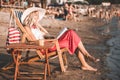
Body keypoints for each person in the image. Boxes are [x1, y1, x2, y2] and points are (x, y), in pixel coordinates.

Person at [21, 7, 100, 72]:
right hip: (46, 47)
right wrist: (45, 41)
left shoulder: (35, 26)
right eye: (35, 17)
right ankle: (86, 57)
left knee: (71, 34)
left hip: (50, 43)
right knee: (71, 35)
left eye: (37, 17)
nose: (37, 19)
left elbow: (46, 33)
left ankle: (85, 61)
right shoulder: (27, 27)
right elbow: (34, 41)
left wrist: (38, 25)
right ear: (31, 16)